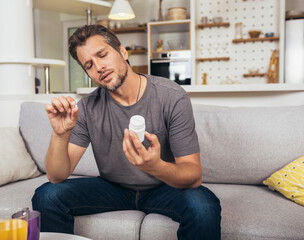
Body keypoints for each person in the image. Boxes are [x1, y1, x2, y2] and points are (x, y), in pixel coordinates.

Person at [32, 24, 221, 239]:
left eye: (102, 55)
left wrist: (155, 166)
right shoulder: (86, 108)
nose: (99, 67)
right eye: (89, 65)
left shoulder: (172, 97)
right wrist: (60, 134)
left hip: (164, 187)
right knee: (47, 195)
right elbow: (57, 177)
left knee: (203, 205)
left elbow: (193, 175)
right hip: (113, 189)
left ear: (122, 51)